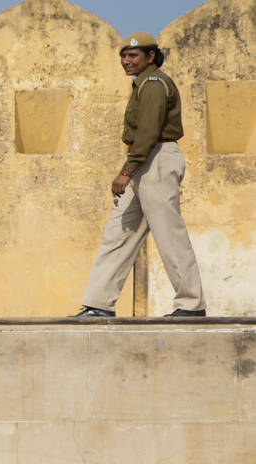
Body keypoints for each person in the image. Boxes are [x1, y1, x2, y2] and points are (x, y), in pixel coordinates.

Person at [74, 31, 206, 318]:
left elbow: (147, 132)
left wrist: (126, 171)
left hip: (155, 158)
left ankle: (191, 303)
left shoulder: (155, 84)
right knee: (118, 233)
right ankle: (99, 304)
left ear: (150, 56)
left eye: (133, 55)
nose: (126, 60)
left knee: (169, 233)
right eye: (123, 55)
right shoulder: (142, 84)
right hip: (142, 160)